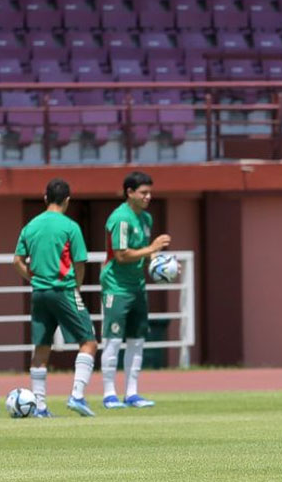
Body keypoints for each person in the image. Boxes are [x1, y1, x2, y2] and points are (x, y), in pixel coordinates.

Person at [13, 178, 97, 417]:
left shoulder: (31, 226)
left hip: (39, 292)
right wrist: (77, 287)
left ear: (45, 198)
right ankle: (77, 396)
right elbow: (79, 262)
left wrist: (33, 277)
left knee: (41, 348)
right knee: (89, 342)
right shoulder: (70, 227)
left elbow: (16, 261)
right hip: (64, 289)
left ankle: (39, 407)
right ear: (67, 200)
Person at [100, 171, 171, 409]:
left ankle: (132, 393)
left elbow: (146, 255)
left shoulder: (146, 219)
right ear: (129, 193)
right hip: (116, 286)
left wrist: (163, 265)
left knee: (137, 340)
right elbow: (121, 255)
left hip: (137, 286)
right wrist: (151, 248)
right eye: (143, 192)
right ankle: (109, 394)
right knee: (112, 339)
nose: (148, 196)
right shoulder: (121, 218)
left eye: (150, 192)